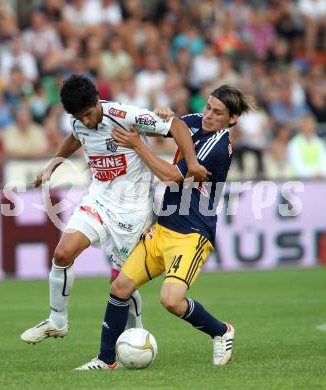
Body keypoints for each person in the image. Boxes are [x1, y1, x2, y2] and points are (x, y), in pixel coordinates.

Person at [21, 74, 210, 344]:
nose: (85, 120)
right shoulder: (78, 119)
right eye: (79, 116)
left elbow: (177, 127)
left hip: (131, 209)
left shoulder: (124, 115)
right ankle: (57, 321)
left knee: (120, 282)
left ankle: (137, 336)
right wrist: (52, 165)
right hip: (98, 198)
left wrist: (191, 162)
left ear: (98, 101)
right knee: (63, 254)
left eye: (88, 114)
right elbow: (75, 135)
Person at [76, 84, 254, 370]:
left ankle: (221, 331)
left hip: (191, 235)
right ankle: (105, 360)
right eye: (208, 106)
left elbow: (171, 176)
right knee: (120, 286)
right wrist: (164, 116)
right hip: (163, 229)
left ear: (231, 120)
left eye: (217, 112)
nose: (207, 115)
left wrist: (137, 144)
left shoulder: (218, 145)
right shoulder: (198, 121)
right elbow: (174, 124)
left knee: (170, 300)